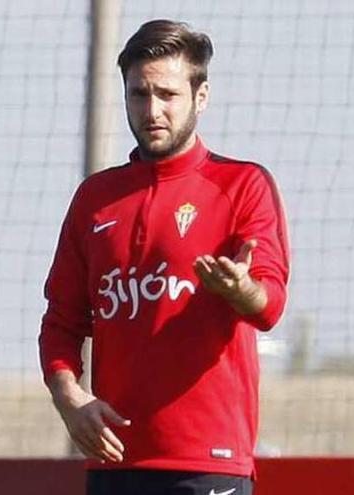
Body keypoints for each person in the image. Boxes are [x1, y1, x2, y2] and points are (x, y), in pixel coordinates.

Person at [39, 19, 290, 495]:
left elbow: (271, 305)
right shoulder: (96, 198)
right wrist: (70, 398)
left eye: (167, 95)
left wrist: (242, 290)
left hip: (207, 461)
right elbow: (62, 321)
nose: (152, 110)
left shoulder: (243, 186)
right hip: (115, 461)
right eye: (139, 94)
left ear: (201, 97)